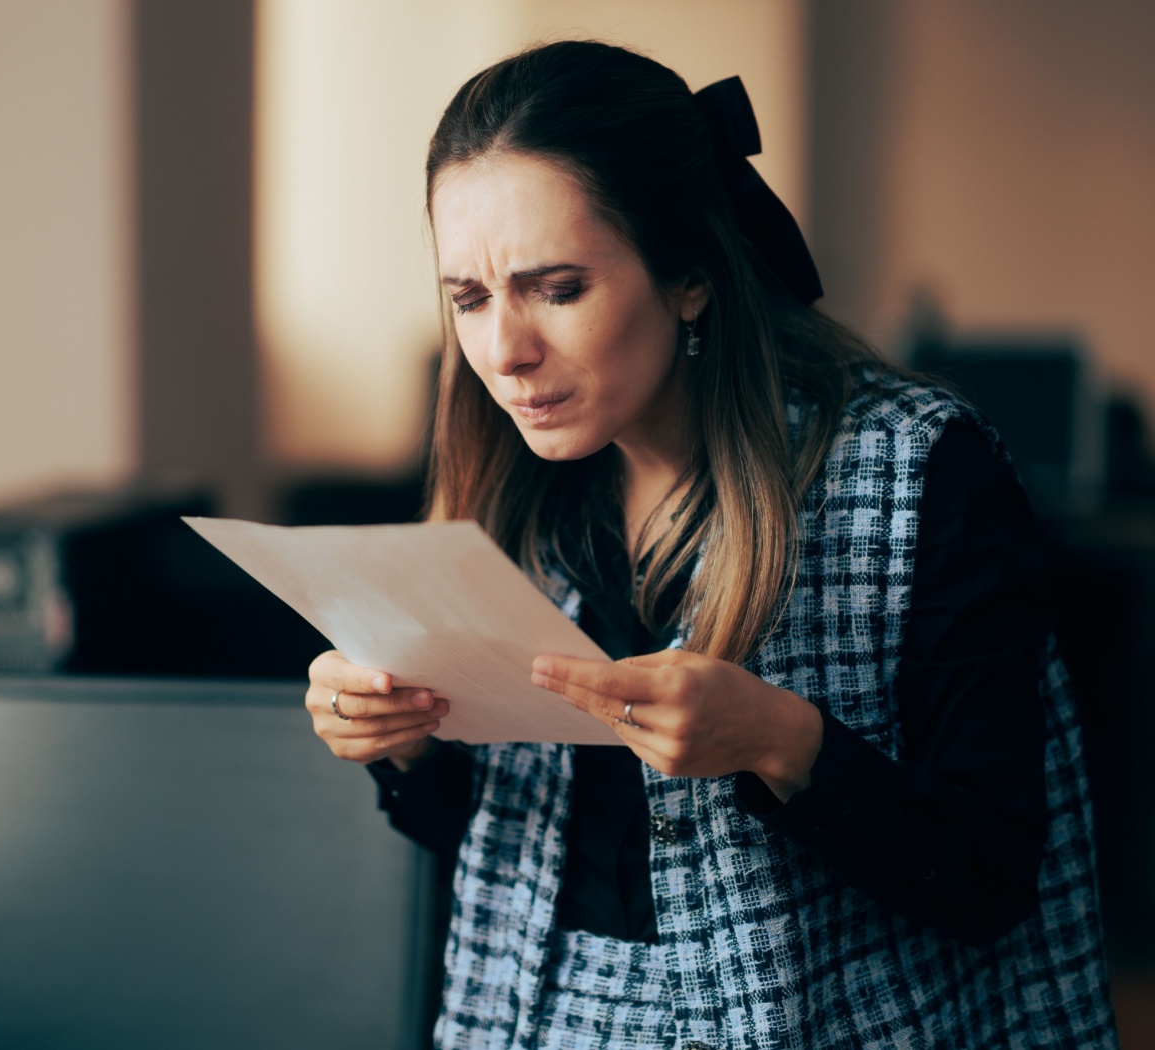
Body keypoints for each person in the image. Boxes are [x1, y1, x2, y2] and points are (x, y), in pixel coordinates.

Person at [302, 40, 1117, 1049]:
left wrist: (784, 743)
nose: (503, 353)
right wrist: (407, 747)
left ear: (687, 273)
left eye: (556, 288)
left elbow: (990, 876)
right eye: (468, 298)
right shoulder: (510, 492)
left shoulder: (917, 470)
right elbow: (504, 837)